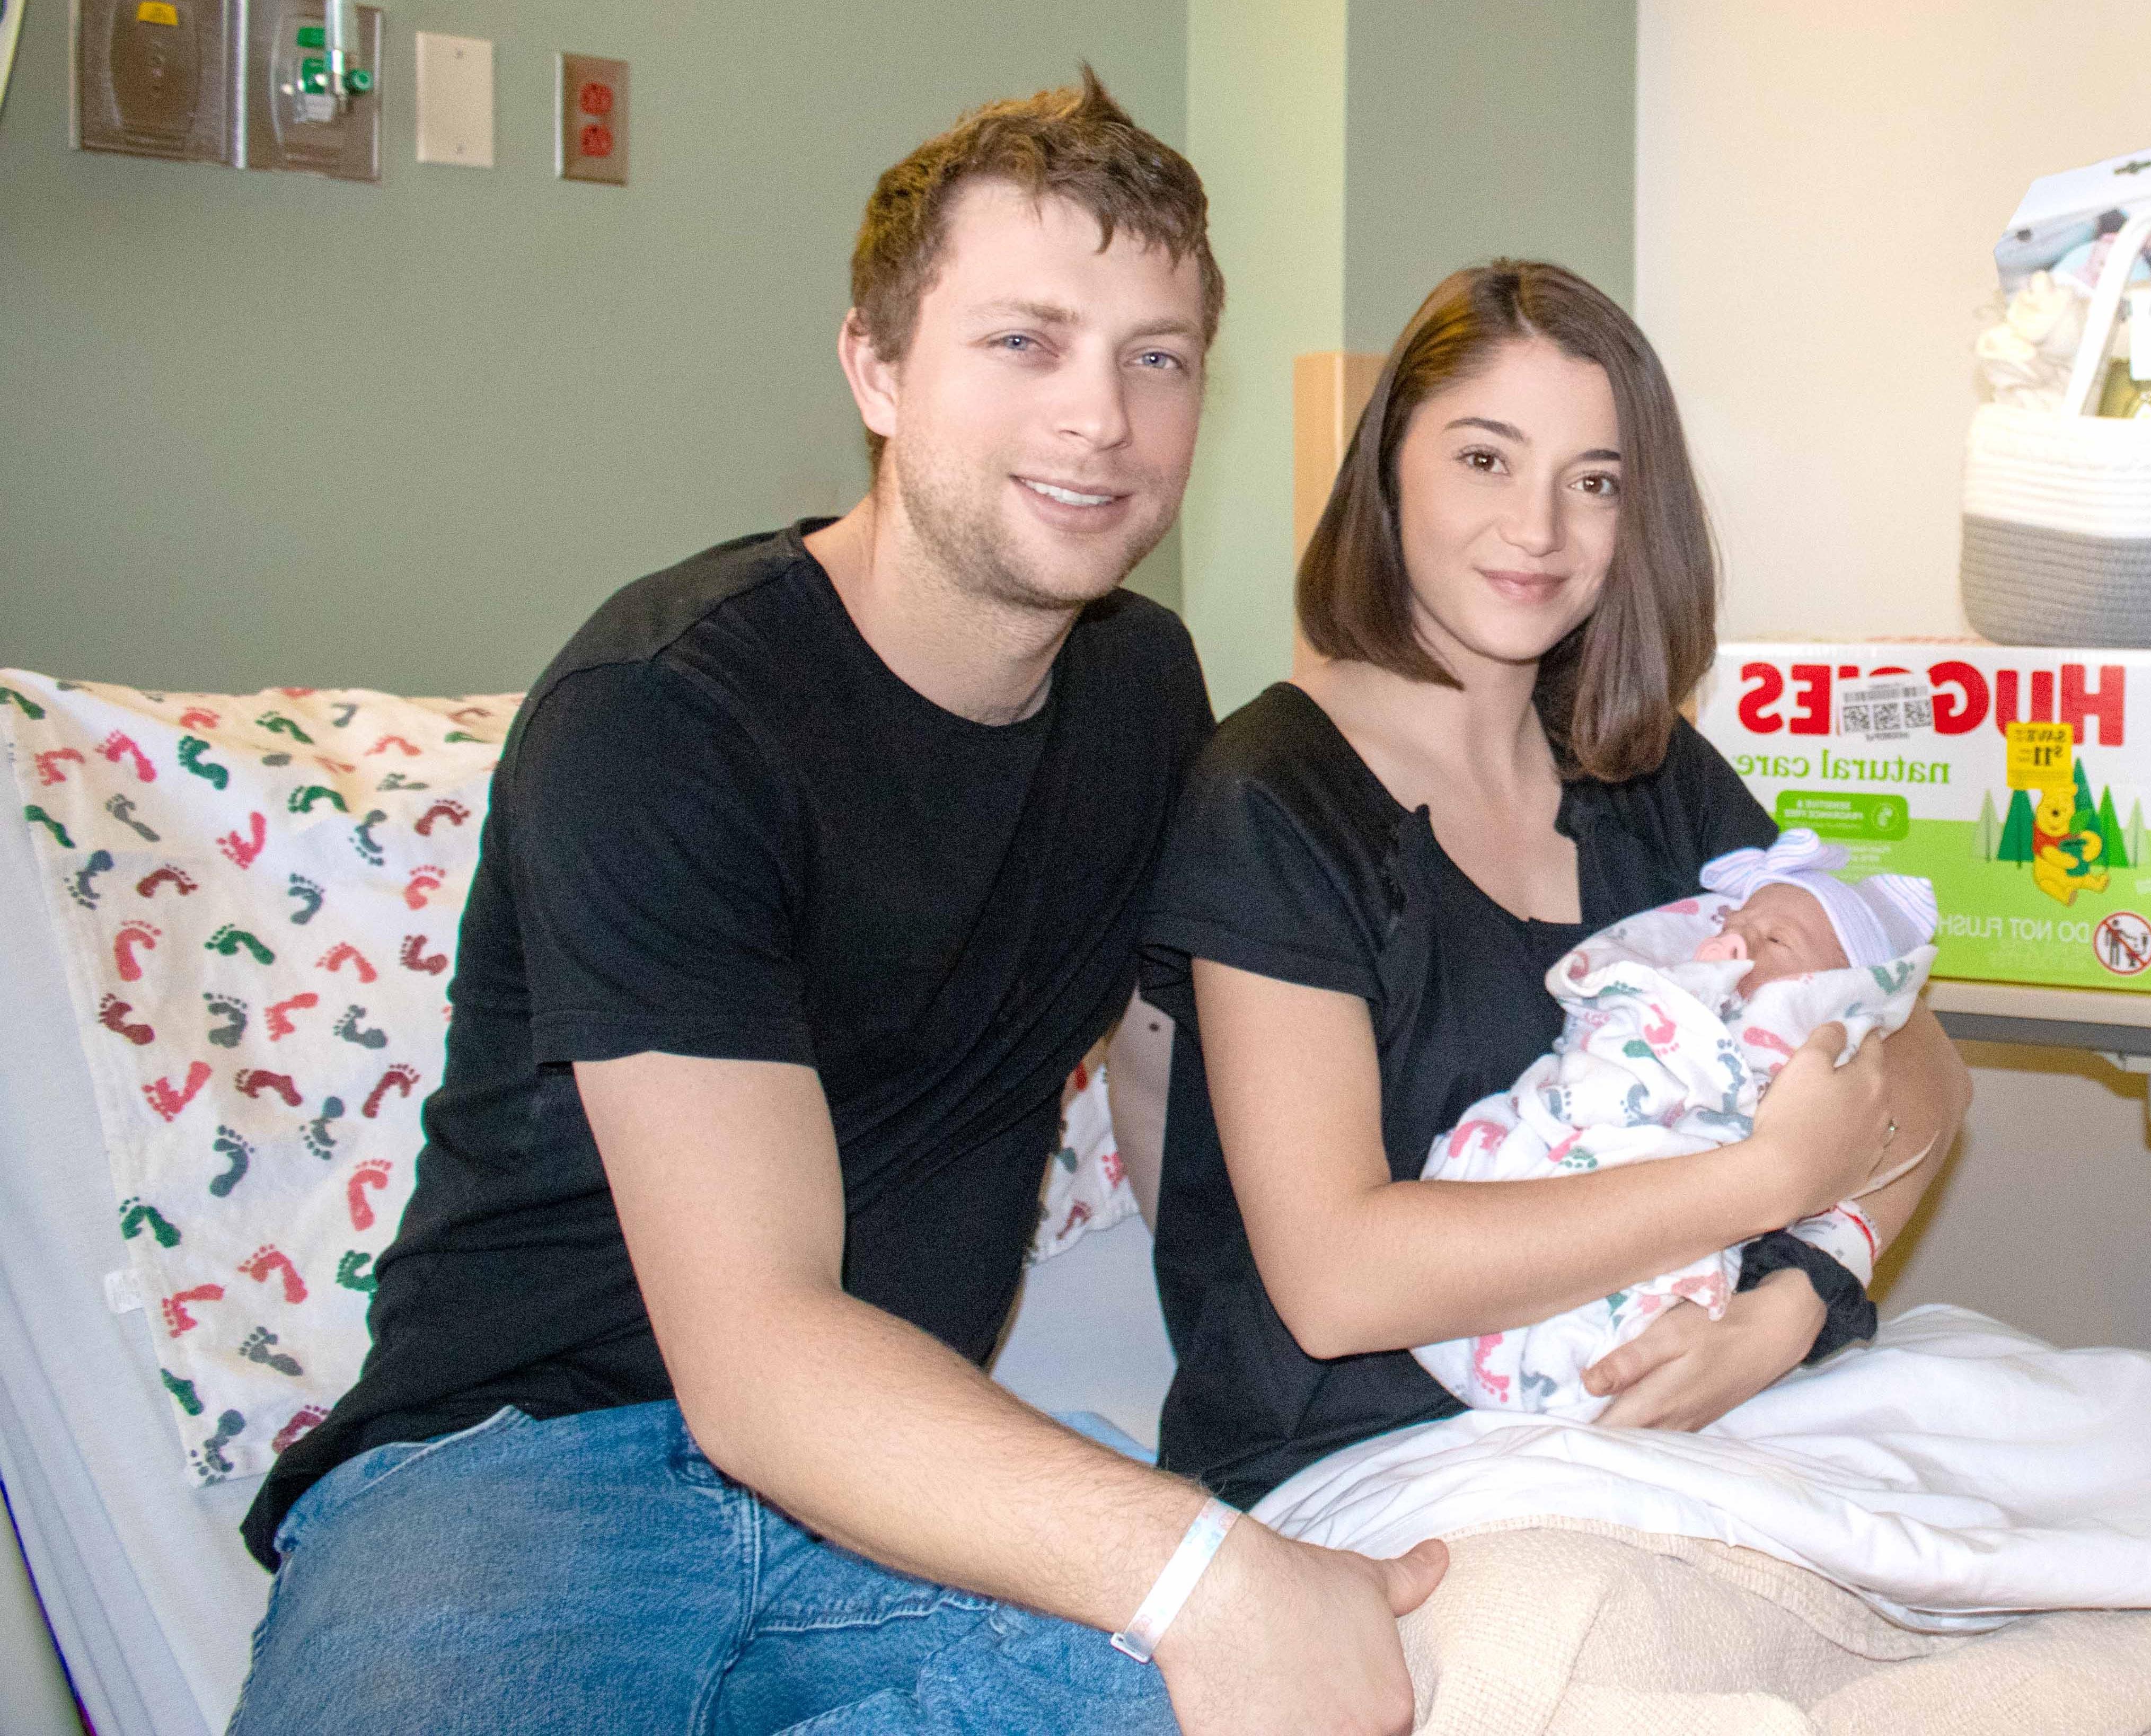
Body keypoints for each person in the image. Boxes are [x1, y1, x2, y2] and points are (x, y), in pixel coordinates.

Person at [232, 73, 1441, 1736]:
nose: (1102, 417)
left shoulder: (1144, 691)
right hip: (518, 1470)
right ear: (875, 366)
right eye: (1025, 341)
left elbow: (1239, 1058)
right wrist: (1194, 1563)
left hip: (906, 1484)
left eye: (1155, 357)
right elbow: (755, 1350)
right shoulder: (668, 715)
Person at [1141, 260, 1975, 1511]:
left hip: (1697, 1410)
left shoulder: (1640, 763)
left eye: (1594, 483)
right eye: (1485, 459)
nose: (1538, 530)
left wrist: (1794, 1304)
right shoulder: (1271, 798)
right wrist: (1762, 1184)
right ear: (1389, 470)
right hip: (1368, 1460)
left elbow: (1921, 1067)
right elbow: (1338, 1277)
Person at [1410, 832, 1942, 1418]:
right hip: (1431, 1304)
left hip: (1673, 1313)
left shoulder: (1672, 787)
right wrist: (1780, 1172)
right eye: (1733, 922)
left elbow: (1939, 1076)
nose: (1735, 938)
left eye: (1775, 939)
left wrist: (1802, 1291)